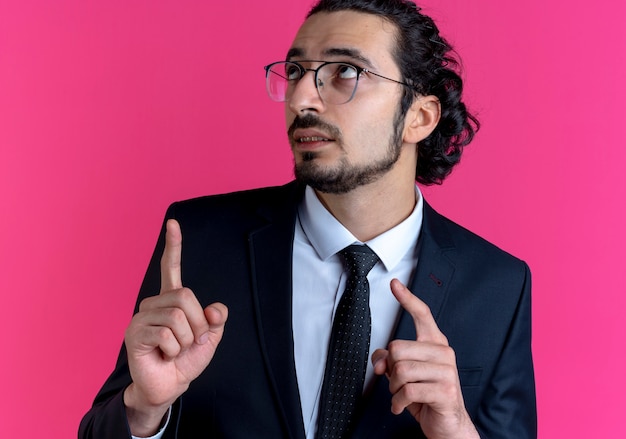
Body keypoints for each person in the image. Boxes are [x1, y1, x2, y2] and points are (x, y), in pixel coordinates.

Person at [79, 0, 536, 438]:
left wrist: (456, 430)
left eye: (345, 72)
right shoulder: (199, 241)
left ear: (419, 116)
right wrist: (144, 410)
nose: (301, 98)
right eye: (295, 72)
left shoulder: (498, 285)